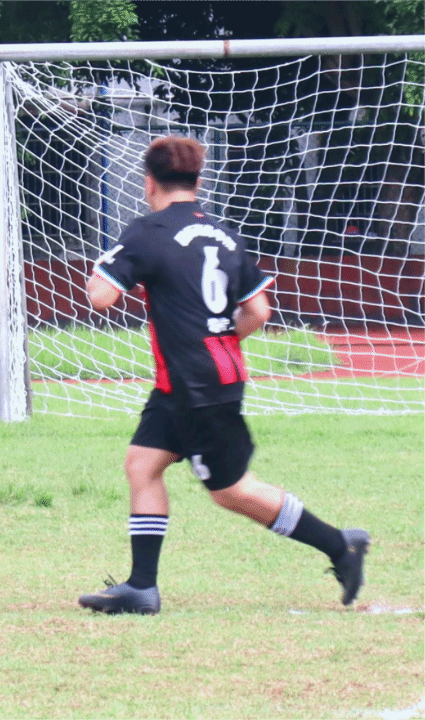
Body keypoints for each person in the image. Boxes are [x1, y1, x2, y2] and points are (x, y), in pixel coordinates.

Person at [78, 136, 369, 614]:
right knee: (142, 464)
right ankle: (141, 587)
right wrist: (218, 339)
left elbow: (100, 296)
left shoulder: (147, 232)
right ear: (198, 181)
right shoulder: (224, 235)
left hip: (195, 384)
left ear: (148, 183)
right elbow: (259, 311)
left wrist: (110, 262)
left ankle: (340, 545)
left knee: (232, 491)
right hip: (199, 379)